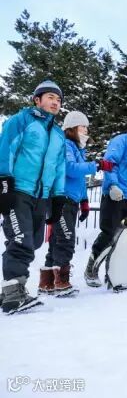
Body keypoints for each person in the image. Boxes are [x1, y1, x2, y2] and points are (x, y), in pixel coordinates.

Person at [0, 80, 67, 313]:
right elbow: (5, 149)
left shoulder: (58, 134)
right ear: (37, 100)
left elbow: (59, 167)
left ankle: (8, 289)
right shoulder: (21, 121)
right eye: (50, 97)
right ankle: (13, 295)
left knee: (35, 242)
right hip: (18, 190)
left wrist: (58, 197)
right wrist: (4, 181)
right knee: (21, 241)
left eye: (58, 99)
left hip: (41, 196)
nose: (55, 102)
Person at [39, 111, 114, 296]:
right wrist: (97, 165)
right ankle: (61, 282)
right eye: (82, 127)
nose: (86, 130)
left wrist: (84, 201)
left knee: (57, 240)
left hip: (70, 200)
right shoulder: (65, 145)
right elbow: (71, 169)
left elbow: (78, 181)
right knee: (65, 240)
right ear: (71, 128)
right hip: (61, 199)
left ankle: (47, 283)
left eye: (87, 127)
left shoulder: (77, 149)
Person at [84, 109, 127, 287]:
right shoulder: (121, 141)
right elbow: (110, 164)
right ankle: (91, 269)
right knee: (109, 234)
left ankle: (119, 273)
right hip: (115, 196)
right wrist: (113, 185)